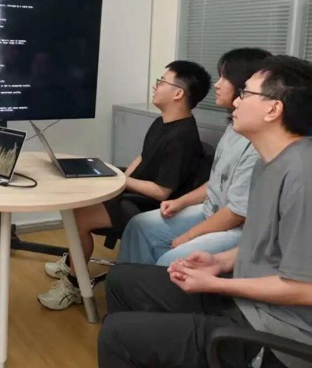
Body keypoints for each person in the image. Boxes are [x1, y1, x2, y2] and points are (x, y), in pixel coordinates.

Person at [78, 55, 312, 368]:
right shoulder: (271, 163)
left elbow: (304, 288)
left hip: (280, 347)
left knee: (119, 337)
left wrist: (219, 285)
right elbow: (267, 247)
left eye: (247, 93)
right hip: (249, 310)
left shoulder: (303, 176)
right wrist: (219, 260)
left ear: (274, 108)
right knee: (124, 281)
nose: (235, 99)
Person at [37, 60, 211, 310]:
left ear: (178, 93)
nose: (156, 86)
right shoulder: (162, 122)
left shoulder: (182, 138)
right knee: (81, 198)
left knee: (79, 217)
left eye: (162, 81)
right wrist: (117, 181)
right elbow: (143, 157)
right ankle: (72, 262)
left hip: (152, 206)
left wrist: (122, 181)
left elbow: (161, 192)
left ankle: (74, 286)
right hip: (133, 192)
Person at [117, 47, 271, 268]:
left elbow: (236, 214)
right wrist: (181, 202)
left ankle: (151, 285)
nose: (217, 85)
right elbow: (217, 182)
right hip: (211, 210)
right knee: (139, 225)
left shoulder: (257, 147)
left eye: (225, 78)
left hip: (236, 228)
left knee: (171, 259)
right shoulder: (234, 129)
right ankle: (130, 284)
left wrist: (189, 236)